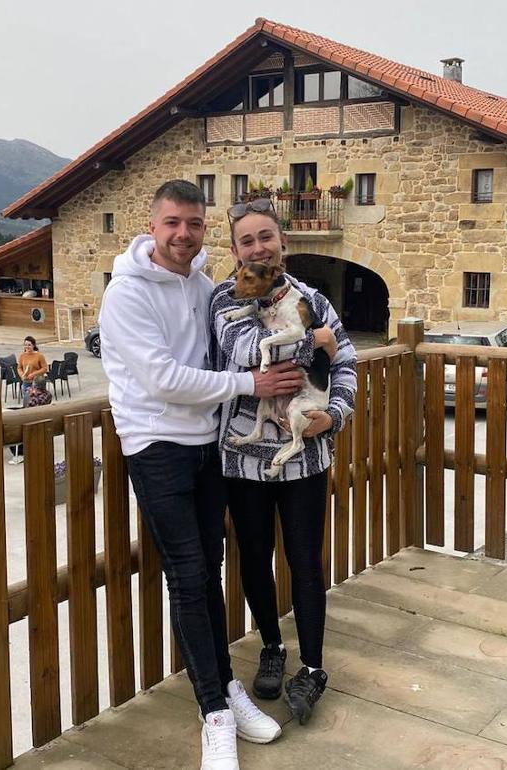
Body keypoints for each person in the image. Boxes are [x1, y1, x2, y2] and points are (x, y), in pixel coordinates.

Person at [99, 180, 304, 770]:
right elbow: (162, 378)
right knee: (189, 577)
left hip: (205, 444)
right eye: (172, 223)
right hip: (155, 446)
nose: (183, 234)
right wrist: (251, 384)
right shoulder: (126, 294)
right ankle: (214, 712)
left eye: (193, 224)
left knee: (207, 573)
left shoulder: (201, 282)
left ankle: (225, 689)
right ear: (152, 226)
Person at [209, 197, 357, 726]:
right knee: (255, 557)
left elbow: (347, 363)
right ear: (235, 251)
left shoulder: (313, 299)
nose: (258, 248)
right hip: (244, 460)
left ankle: (313, 667)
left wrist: (333, 415)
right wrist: (317, 341)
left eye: (265, 237)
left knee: (305, 560)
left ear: (282, 242)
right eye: (247, 241)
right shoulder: (225, 300)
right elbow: (247, 352)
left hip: (304, 457)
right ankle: (272, 646)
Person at [17, 335, 48, 406]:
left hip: (37, 383)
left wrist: (34, 374)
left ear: (33, 345)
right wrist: (22, 375)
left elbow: (45, 368)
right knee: (27, 402)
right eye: (25, 345)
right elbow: (19, 368)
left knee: (37, 402)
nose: (27, 347)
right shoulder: (22, 356)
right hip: (26, 382)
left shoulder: (39, 356)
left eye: (29, 345)